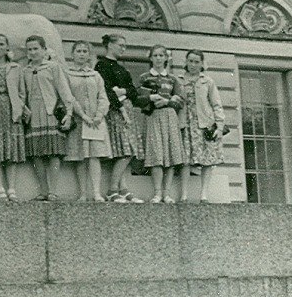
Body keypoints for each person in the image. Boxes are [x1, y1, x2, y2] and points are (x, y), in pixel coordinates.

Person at [23, 35, 75, 202]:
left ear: (44, 50)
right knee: (36, 154)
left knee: (53, 152)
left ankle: (52, 191)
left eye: (36, 48)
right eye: (29, 49)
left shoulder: (52, 67)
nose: (33, 52)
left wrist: (68, 113)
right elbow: (22, 94)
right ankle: (43, 190)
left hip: (50, 112)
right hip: (33, 115)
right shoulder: (25, 71)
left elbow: (64, 91)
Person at [94, 34, 144, 203]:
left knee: (126, 150)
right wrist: (121, 107)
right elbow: (106, 91)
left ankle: (123, 189)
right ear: (109, 45)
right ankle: (112, 189)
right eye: (120, 45)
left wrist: (122, 91)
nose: (123, 48)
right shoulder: (102, 65)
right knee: (125, 150)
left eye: (125, 45)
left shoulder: (122, 68)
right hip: (115, 111)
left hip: (127, 110)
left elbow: (133, 91)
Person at [137, 45, 185, 204]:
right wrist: (150, 99)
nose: (158, 58)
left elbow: (180, 100)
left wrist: (168, 101)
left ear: (166, 58)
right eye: (155, 55)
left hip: (169, 116)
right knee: (156, 154)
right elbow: (138, 99)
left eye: (161, 55)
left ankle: (167, 193)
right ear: (150, 58)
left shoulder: (172, 79)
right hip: (153, 116)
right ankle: (157, 192)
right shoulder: (145, 77)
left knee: (170, 154)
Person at [65, 41, 112, 202]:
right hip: (79, 120)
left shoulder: (95, 75)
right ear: (73, 54)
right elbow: (68, 97)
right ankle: (83, 193)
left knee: (95, 156)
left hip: (96, 122)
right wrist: (83, 115)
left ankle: (96, 192)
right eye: (78, 51)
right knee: (80, 155)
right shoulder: (67, 74)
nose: (82, 54)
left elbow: (103, 97)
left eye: (85, 51)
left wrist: (99, 115)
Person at [0, 34, 27, 201]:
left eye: (2, 44)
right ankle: (0, 188)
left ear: (7, 47)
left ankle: (12, 188)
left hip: (12, 110)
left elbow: (22, 92)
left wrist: (20, 106)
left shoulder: (16, 68)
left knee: (12, 150)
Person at [178, 50, 226, 203]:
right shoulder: (178, 80)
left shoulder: (207, 81)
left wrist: (219, 126)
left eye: (196, 62)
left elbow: (216, 104)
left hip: (204, 124)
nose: (193, 65)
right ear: (186, 62)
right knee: (185, 159)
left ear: (201, 63)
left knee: (207, 159)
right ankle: (184, 195)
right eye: (190, 61)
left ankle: (204, 195)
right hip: (185, 124)